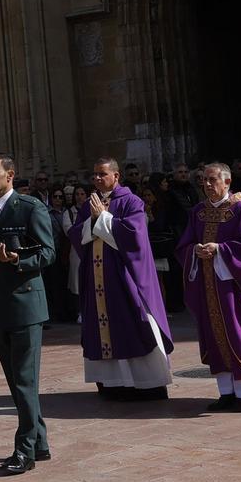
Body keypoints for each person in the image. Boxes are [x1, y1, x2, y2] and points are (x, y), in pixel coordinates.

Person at [175, 164, 241, 412]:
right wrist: (195, 251)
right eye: (204, 180)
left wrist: (220, 250)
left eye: (213, 180)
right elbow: (184, 244)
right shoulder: (198, 212)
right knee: (214, 338)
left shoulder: (240, 210)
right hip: (208, 286)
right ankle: (226, 393)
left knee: (238, 335)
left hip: (235, 288)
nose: (207, 185)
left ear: (227, 181)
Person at [0, 153, 53, 473]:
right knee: (16, 380)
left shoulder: (30, 207)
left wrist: (18, 261)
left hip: (25, 305)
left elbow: (48, 252)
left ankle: (25, 450)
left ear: (10, 176)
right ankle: (41, 441)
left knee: (23, 380)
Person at [71, 158, 173, 402]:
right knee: (104, 328)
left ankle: (147, 384)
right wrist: (94, 218)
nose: (97, 179)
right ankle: (112, 383)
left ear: (116, 176)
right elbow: (75, 233)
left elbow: (135, 236)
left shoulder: (131, 201)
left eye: (102, 174)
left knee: (133, 325)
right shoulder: (88, 205)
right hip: (98, 281)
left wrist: (102, 218)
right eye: (94, 174)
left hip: (124, 279)